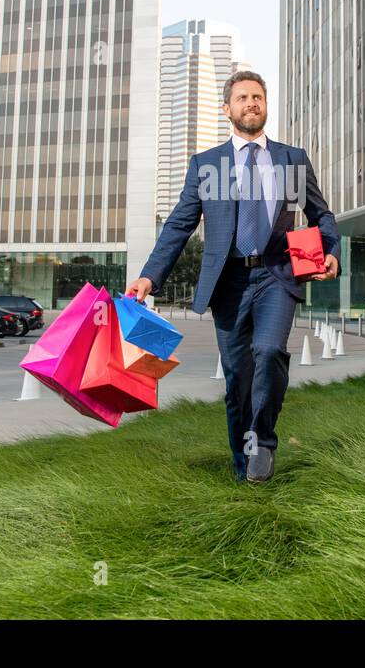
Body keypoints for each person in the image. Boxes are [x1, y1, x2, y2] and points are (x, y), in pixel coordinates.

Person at [126, 71, 340, 483]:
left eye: (258, 96)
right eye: (242, 97)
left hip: (277, 275)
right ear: (228, 109)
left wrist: (329, 250)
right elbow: (178, 225)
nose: (251, 103)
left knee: (269, 351)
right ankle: (245, 470)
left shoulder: (291, 159)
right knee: (238, 379)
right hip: (227, 283)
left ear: (266, 104)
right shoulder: (207, 165)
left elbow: (320, 214)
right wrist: (149, 277)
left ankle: (263, 442)